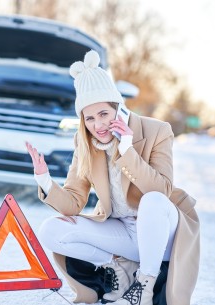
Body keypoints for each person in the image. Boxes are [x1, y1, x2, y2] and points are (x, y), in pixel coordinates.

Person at [26, 50, 200, 305]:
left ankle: (145, 287)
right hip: (124, 233)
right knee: (50, 230)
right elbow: (74, 201)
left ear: (117, 108)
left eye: (104, 114)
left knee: (152, 201)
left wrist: (127, 150)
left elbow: (162, 189)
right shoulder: (85, 142)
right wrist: (44, 180)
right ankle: (121, 269)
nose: (98, 125)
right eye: (90, 118)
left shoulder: (157, 131)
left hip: (163, 233)